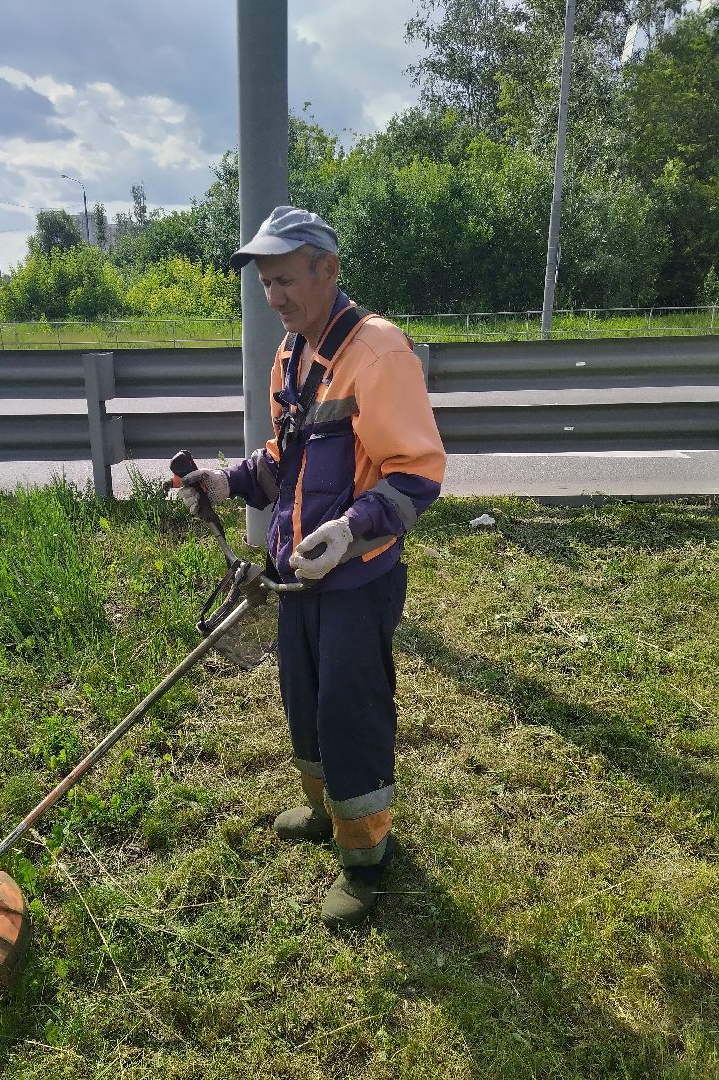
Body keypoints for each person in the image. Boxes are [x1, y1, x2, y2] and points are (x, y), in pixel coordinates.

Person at [171, 206, 446, 927]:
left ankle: (365, 860)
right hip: (297, 577)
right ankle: (326, 813)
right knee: (304, 701)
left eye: (287, 280)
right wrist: (228, 482)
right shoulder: (293, 356)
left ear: (330, 269)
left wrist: (352, 531)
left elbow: (416, 476)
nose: (276, 298)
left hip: (356, 581)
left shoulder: (378, 352)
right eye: (266, 284)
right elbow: (283, 460)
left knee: (349, 715)